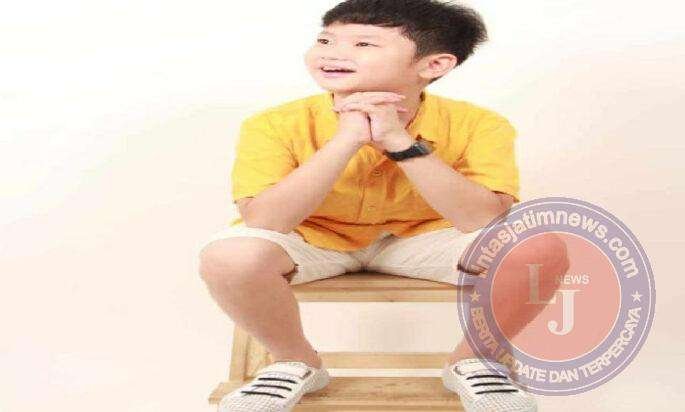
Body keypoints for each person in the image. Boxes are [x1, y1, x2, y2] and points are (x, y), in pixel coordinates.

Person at [198, 1, 569, 410]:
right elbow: (265, 220)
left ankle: (475, 361)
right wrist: (346, 139)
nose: (333, 53)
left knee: (539, 250)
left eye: (363, 44)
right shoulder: (271, 124)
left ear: (434, 65)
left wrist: (399, 141)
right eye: (325, 40)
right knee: (229, 257)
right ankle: (295, 361)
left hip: (425, 238)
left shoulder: (482, 124)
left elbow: (480, 218)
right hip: (313, 238)